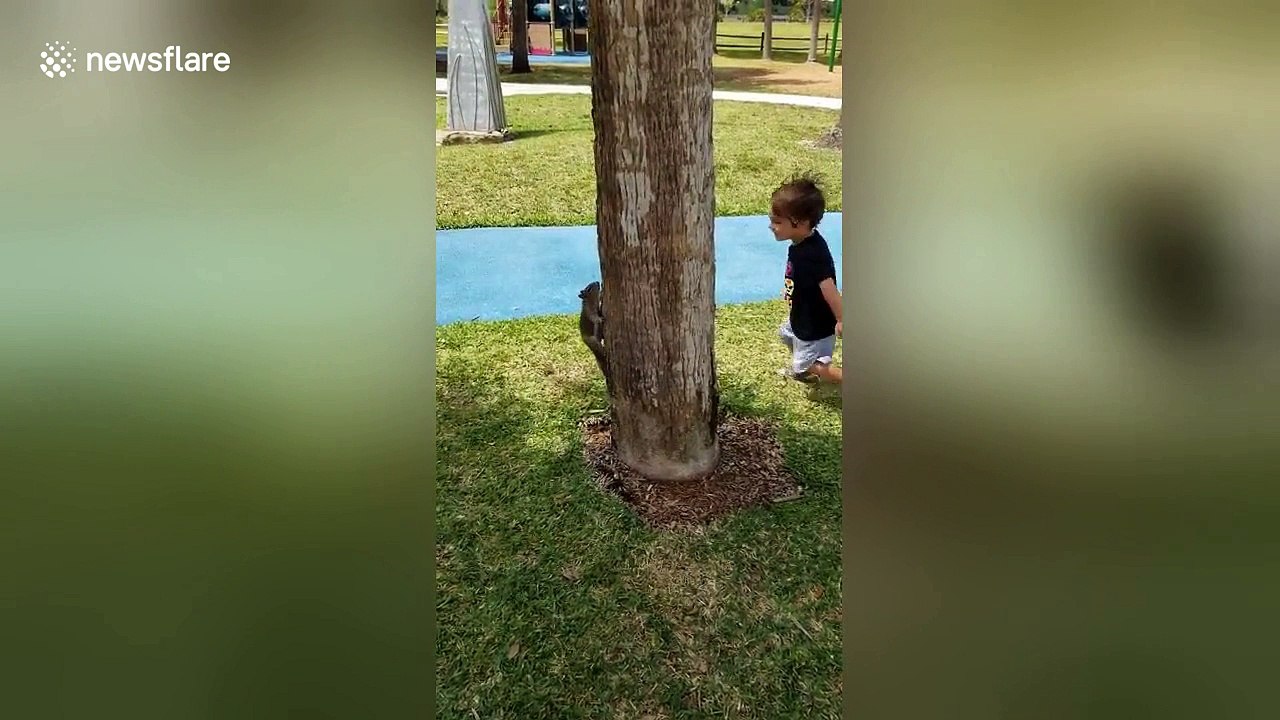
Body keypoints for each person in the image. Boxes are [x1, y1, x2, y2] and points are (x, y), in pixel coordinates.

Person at [769, 174, 842, 384]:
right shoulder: (800, 244)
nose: (771, 226)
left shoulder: (813, 254)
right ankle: (805, 365)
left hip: (815, 326)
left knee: (808, 366)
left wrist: (841, 318)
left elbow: (829, 289)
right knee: (786, 333)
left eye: (777, 222)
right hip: (802, 317)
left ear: (801, 223)